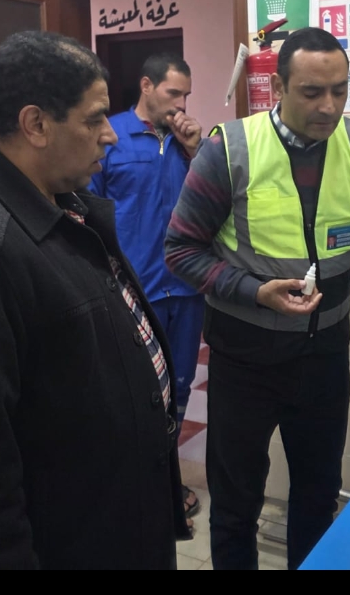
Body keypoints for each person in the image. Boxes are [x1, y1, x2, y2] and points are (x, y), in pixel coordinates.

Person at [0, 31, 190, 569]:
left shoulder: (62, 199)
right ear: (36, 124)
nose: (110, 136)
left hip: (115, 527)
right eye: (94, 119)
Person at [164, 26, 350, 570]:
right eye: (312, 92)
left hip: (323, 358)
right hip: (244, 359)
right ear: (278, 88)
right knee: (236, 504)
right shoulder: (229, 149)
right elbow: (180, 250)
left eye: (340, 91)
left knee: (318, 497)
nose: (329, 106)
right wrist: (254, 291)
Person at [88, 53, 204, 521]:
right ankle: (132, 487)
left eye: (186, 95)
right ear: (146, 86)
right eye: (174, 93)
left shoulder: (187, 142)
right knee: (135, 392)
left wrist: (196, 151)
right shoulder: (110, 136)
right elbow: (87, 212)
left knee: (180, 388)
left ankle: (166, 481)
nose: (181, 105)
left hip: (186, 289)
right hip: (133, 291)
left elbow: (215, 203)